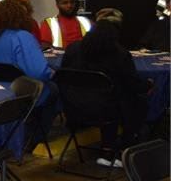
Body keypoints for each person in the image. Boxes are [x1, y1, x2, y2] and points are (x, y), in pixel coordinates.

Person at [61, 19, 151, 165]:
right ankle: (124, 148)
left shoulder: (72, 49)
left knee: (109, 98)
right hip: (106, 110)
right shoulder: (119, 54)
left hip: (73, 107)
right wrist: (148, 85)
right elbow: (132, 84)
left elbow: (63, 76)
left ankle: (108, 148)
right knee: (136, 102)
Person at [0, 0, 54, 104]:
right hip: (23, 95)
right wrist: (51, 72)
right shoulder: (22, 37)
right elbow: (39, 73)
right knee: (54, 88)